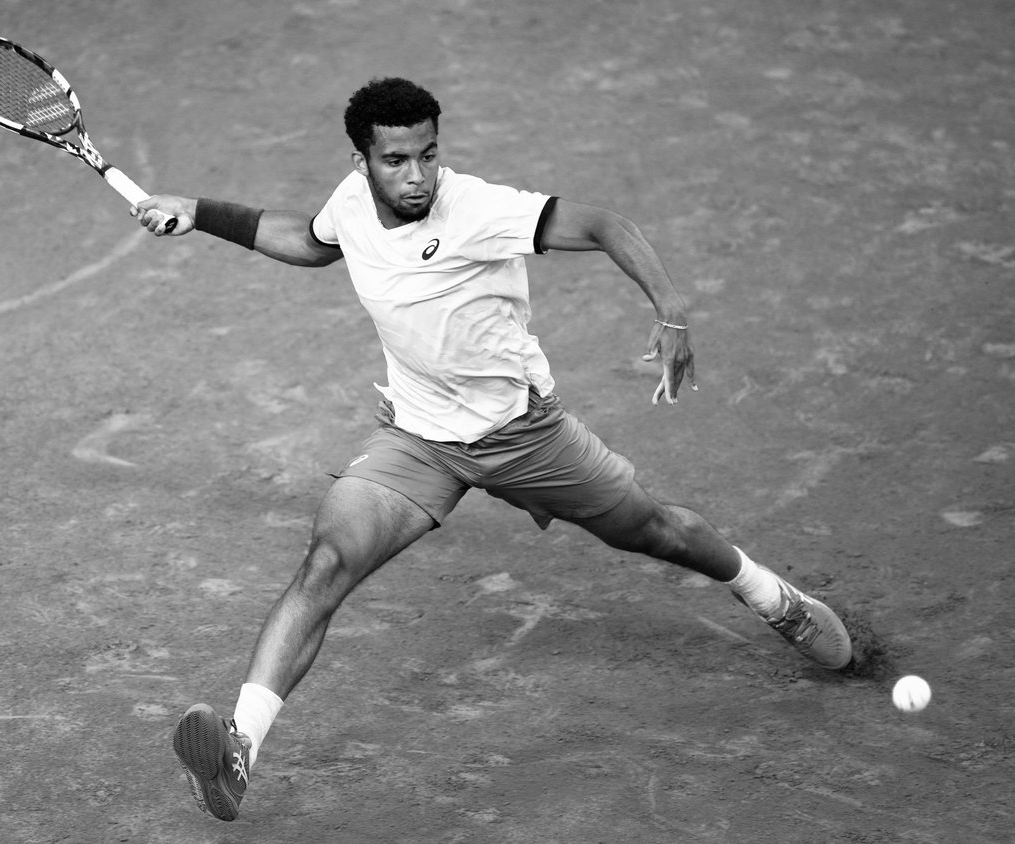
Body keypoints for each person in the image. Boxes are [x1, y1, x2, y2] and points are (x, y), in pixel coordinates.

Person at [133, 77, 854, 823]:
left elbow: (605, 224)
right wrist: (200, 212)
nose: (416, 177)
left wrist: (671, 309)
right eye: (395, 161)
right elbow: (313, 243)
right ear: (361, 163)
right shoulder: (351, 204)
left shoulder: (477, 209)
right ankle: (239, 751)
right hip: (419, 440)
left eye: (428, 156)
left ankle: (772, 596)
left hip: (524, 437)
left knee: (658, 532)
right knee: (326, 562)